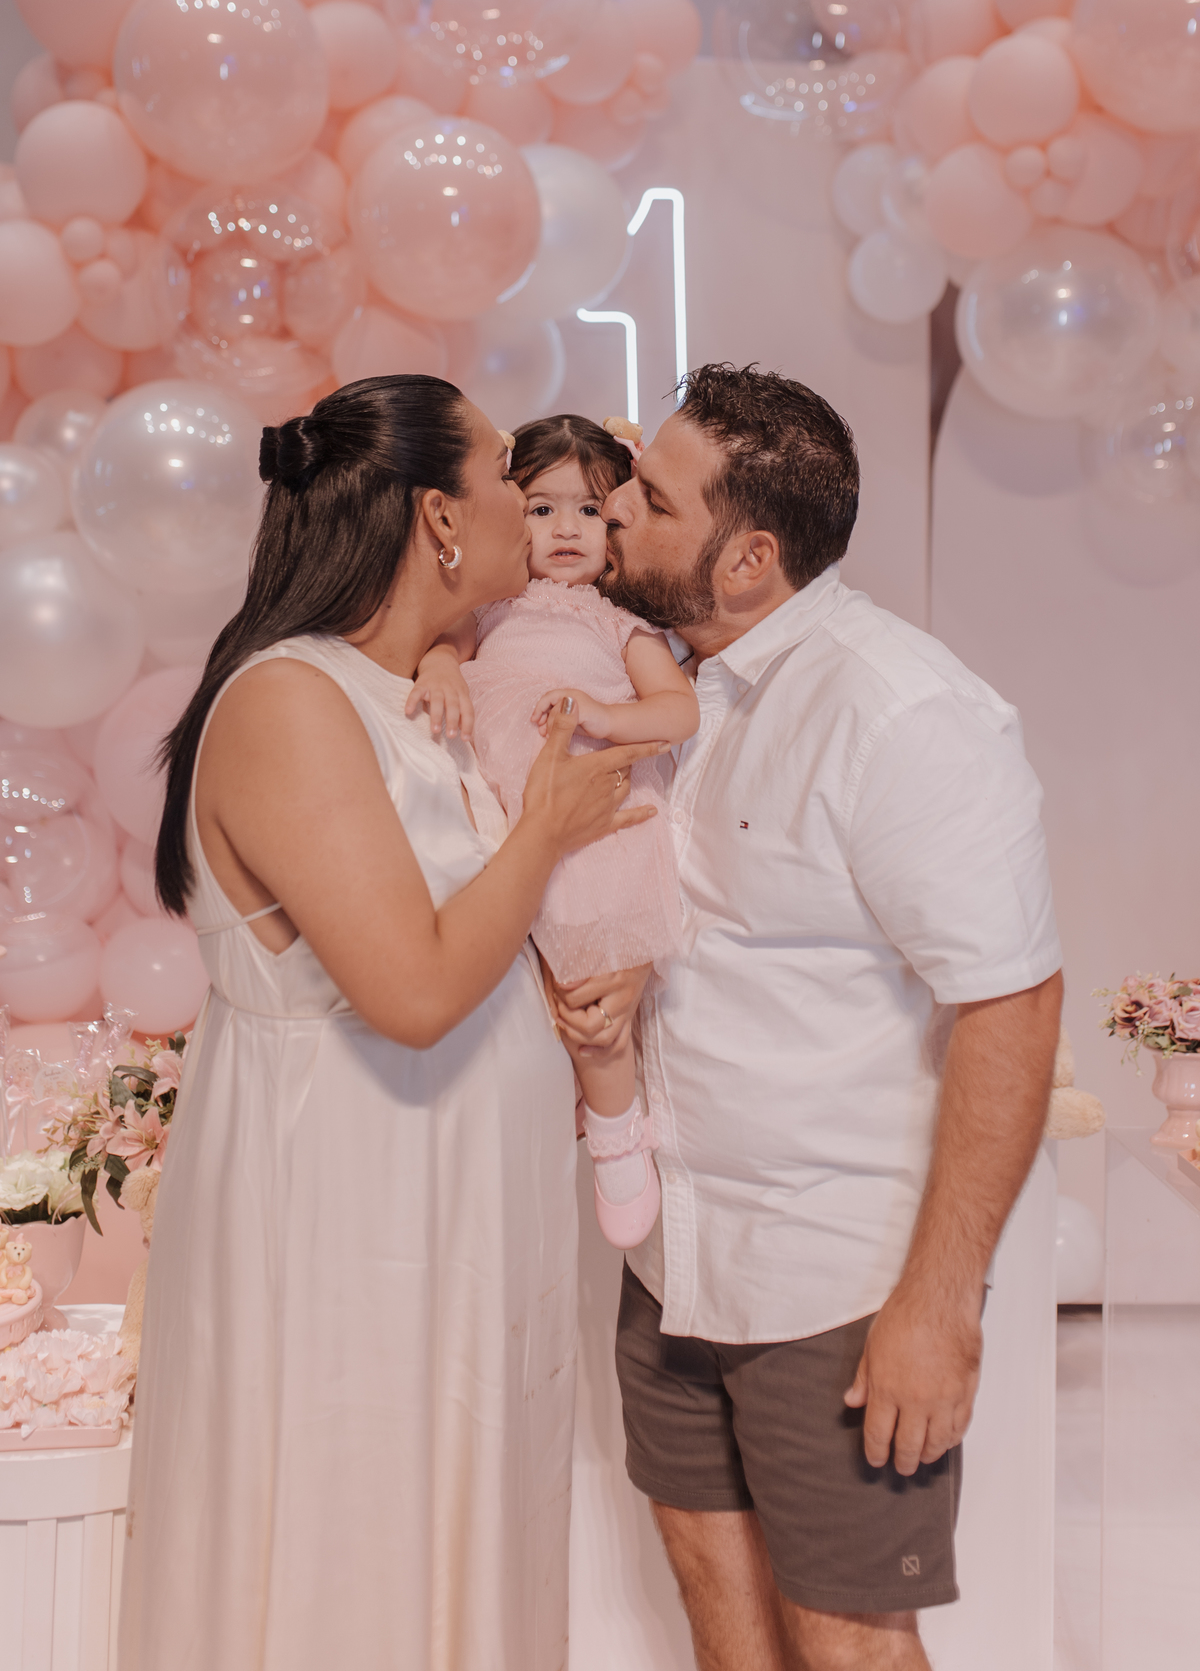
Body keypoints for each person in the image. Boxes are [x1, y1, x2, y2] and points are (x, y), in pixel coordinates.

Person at [119, 375, 664, 1671]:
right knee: (356, 1559)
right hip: (355, 1233)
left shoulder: (429, 695)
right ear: (439, 518)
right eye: (501, 472)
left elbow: (491, 932)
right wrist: (546, 830)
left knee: (464, 1560)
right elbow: (412, 992)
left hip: (459, 1230)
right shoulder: (290, 701)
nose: (529, 507)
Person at [556, 363, 1064, 1671]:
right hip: (672, 1261)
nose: (616, 508)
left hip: (836, 1280)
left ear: (748, 561)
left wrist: (939, 1306)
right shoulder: (664, 680)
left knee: (848, 1643)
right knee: (719, 1622)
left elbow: (1011, 1001)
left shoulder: (901, 711)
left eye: (652, 498)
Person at [406, 414, 699, 1249]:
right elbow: (441, 649)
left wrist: (605, 714)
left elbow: (677, 710)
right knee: (508, 969)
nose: (567, 529)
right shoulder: (489, 608)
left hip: (591, 818)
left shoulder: (616, 623)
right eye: (541, 509)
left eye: (590, 510)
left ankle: (616, 1129)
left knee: (589, 984)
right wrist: (440, 666)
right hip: (501, 814)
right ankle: (566, 1099)